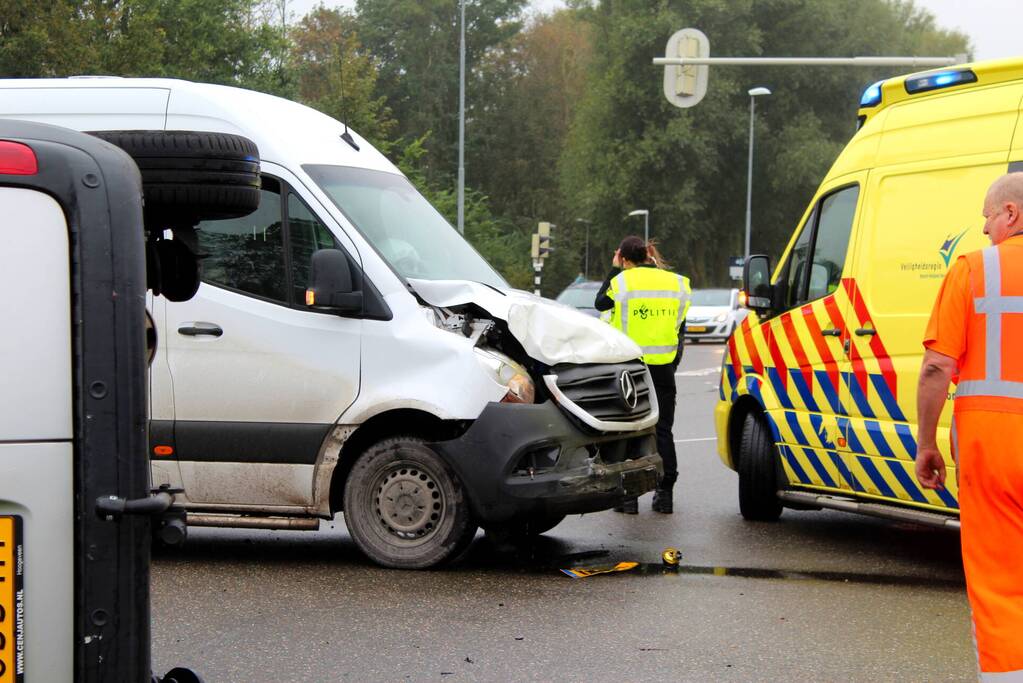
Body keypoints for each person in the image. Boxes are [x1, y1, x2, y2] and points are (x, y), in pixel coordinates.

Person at [915, 172, 1023, 678]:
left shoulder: (973, 270)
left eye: (986, 216)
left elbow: (937, 366)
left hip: (995, 449)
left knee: (1000, 581)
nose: (982, 229)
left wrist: (925, 444)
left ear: (1010, 214)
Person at [595, 235, 691, 514]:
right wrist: (672, 362)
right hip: (663, 369)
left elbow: (601, 303)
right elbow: (678, 328)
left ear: (624, 258)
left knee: (628, 429)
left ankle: (628, 498)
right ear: (649, 255)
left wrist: (614, 269)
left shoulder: (622, 281)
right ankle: (665, 494)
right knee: (663, 430)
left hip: (630, 369)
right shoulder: (677, 284)